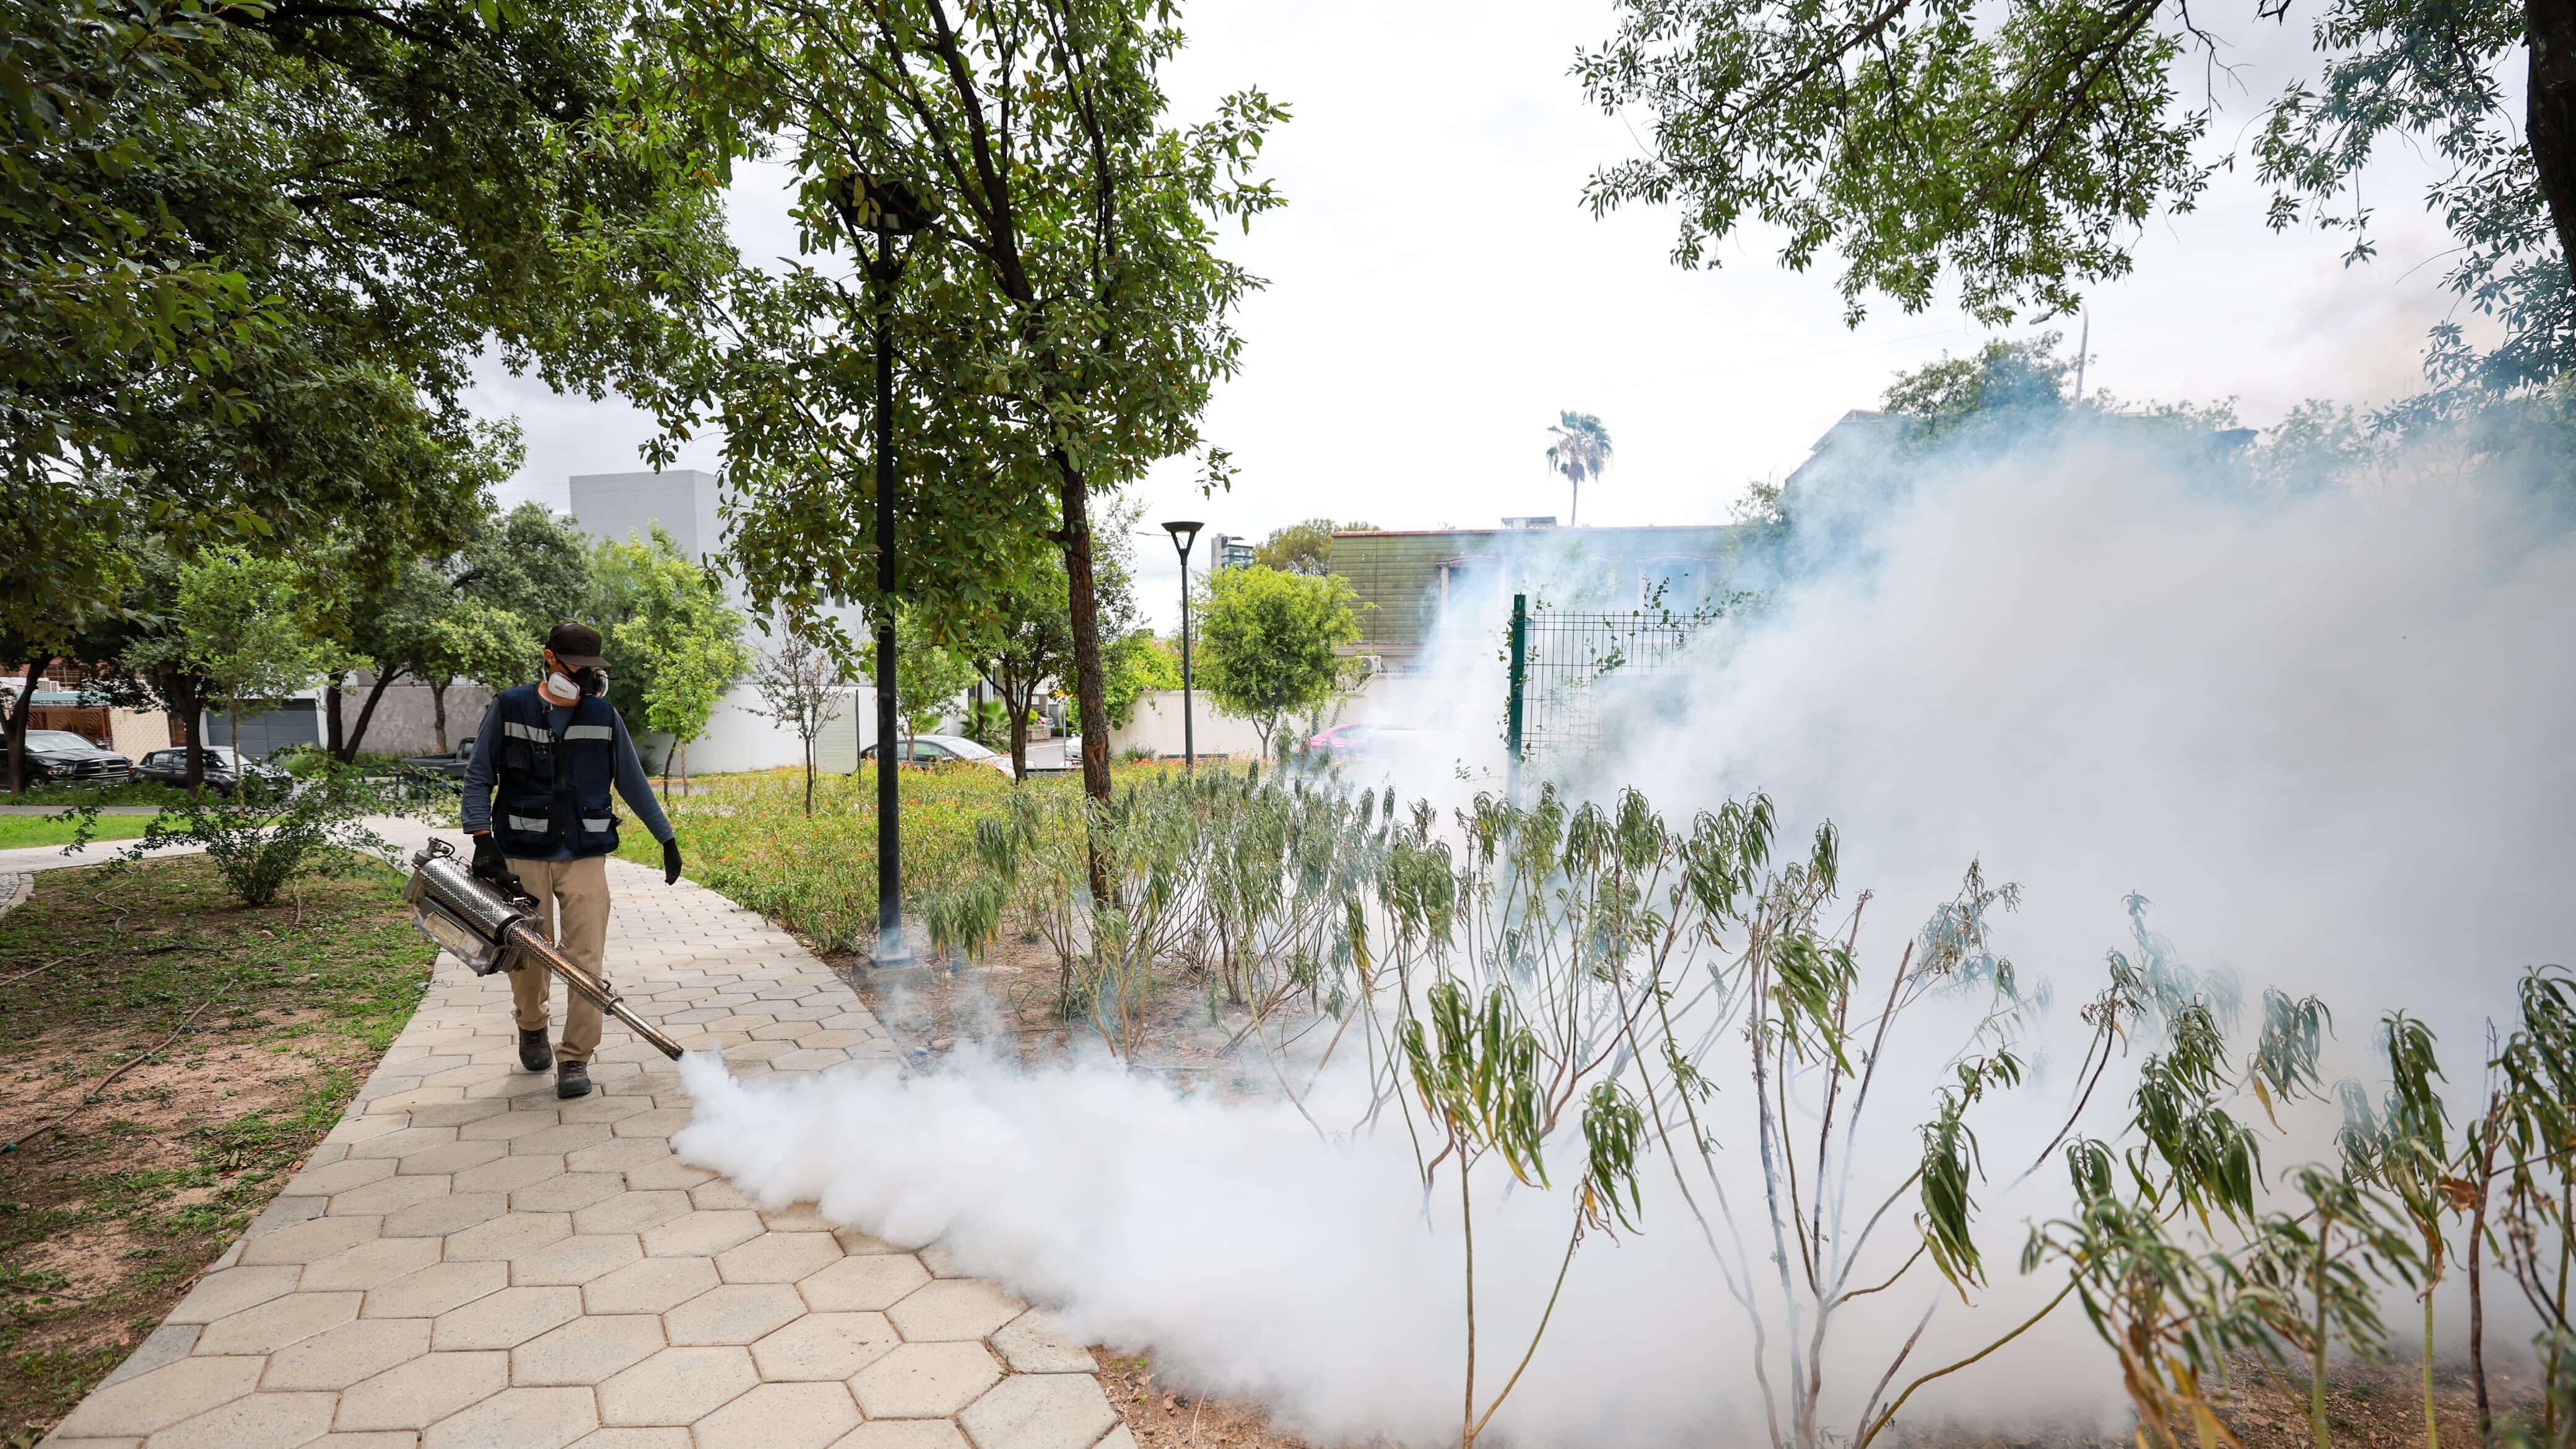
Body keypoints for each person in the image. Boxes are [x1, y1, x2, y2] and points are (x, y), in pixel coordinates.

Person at [460, 621, 683, 1098]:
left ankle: (576, 1058)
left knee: (585, 958)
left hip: (584, 855)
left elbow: (632, 782)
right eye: (576, 668)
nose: (585, 677)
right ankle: (532, 1024)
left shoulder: (603, 716)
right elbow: (479, 775)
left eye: (592, 669)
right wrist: (482, 840)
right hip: (521, 852)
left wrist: (665, 838)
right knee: (527, 955)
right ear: (550, 659)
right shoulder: (510, 707)